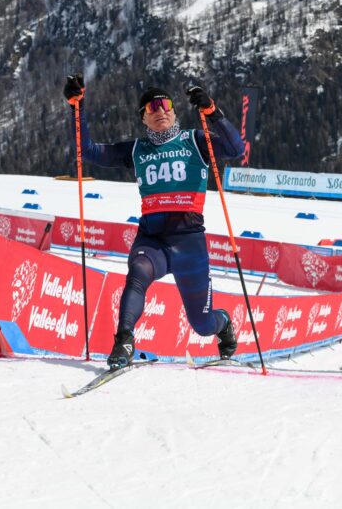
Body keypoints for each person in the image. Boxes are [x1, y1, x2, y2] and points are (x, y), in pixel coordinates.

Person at [63, 76, 245, 369]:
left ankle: (222, 324)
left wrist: (212, 112)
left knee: (201, 323)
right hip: (153, 240)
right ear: (143, 118)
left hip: (190, 247)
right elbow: (89, 150)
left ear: (174, 111)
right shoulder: (136, 150)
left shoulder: (195, 140)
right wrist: (76, 108)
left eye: (165, 104)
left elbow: (236, 149)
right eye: (152, 106)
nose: (160, 110)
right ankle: (124, 340)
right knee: (137, 272)